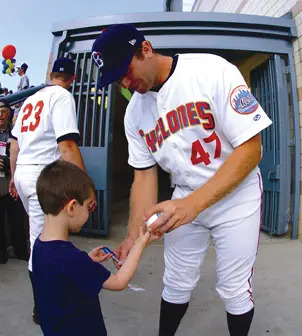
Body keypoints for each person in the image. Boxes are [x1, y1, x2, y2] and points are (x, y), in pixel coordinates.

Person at [91, 24, 273, 336]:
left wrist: (193, 204)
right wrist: (134, 235)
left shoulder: (211, 70)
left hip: (236, 196)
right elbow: (144, 175)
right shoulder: (134, 113)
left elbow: (251, 149)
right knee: (175, 282)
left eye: (125, 69)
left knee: (233, 288)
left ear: (146, 49)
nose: (125, 81)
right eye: (116, 78)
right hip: (184, 196)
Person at [9, 57, 95, 324]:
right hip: (41, 177)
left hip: (23, 171)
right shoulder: (61, 96)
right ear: (72, 78)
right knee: (43, 241)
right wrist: (86, 188)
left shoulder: (30, 99)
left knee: (40, 237)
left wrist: (14, 178)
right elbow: (67, 145)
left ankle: (46, 300)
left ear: (50, 73)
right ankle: (43, 306)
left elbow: (14, 144)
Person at [33, 159, 157, 336]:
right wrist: (139, 244)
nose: (89, 214)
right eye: (88, 207)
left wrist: (87, 260)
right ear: (73, 207)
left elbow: (58, 277)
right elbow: (119, 282)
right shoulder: (73, 259)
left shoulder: (40, 245)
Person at [0, 99, 29, 263]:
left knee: (17, 218)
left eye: (3, 111)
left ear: (9, 113)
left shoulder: (16, 132)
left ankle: (21, 251)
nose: (0, 115)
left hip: (13, 180)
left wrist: (10, 163)